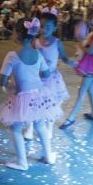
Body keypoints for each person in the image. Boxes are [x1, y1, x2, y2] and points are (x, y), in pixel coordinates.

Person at [0, 17, 60, 170]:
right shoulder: (38, 54)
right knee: (40, 125)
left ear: (17, 34)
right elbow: (46, 75)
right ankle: (49, 156)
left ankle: (22, 161)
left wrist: (10, 84)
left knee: (16, 128)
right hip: (39, 94)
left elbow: (1, 80)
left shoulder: (12, 55)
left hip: (21, 96)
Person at [24, 11, 76, 140]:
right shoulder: (35, 41)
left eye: (48, 27)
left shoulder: (57, 42)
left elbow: (63, 57)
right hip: (37, 78)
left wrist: (72, 62)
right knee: (33, 104)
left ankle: (49, 128)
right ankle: (30, 127)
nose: (44, 29)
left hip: (52, 79)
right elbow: (29, 55)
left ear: (54, 28)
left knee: (51, 104)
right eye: (41, 26)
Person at [59, 11, 93, 129]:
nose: (90, 24)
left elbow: (91, 51)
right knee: (89, 89)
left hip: (92, 64)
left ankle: (71, 117)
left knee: (82, 90)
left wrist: (81, 45)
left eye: (92, 21)